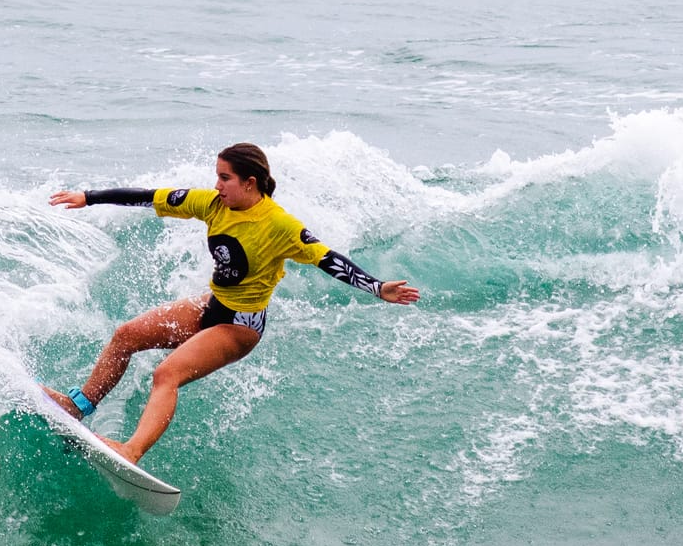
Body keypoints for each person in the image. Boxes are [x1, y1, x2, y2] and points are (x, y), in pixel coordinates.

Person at [46, 142, 420, 462]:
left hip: (241, 326)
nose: (217, 184)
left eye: (225, 178)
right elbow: (150, 195)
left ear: (249, 183)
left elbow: (326, 258)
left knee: (166, 374)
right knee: (126, 335)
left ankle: (131, 451)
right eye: (217, 176)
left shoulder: (278, 226)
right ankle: (78, 406)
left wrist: (377, 287)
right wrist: (89, 198)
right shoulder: (212, 204)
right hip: (212, 306)